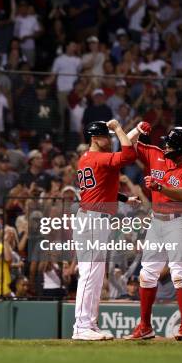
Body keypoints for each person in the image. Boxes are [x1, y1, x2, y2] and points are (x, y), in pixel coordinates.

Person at [125, 124, 182, 341]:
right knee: (147, 274)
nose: (165, 144)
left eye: (169, 142)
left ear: (179, 148)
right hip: (157, 222)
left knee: (178, 273)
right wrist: (138, 129)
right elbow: (127, 143)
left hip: (179, 223)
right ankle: (145, 327)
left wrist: (160, 187)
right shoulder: (155, 154)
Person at [71, 120, 137, 341]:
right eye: (105, 136)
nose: (109, 139)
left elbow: (103, 187)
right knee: (89, 274)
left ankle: (89, 323)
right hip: (91, 220)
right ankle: (80, 326)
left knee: (96, 276)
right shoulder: (98, 158)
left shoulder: (88, 158)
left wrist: (125, 198)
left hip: (96, 218)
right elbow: (128, 156)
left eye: (110, 136)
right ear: (94, 138)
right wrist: (119, 128)